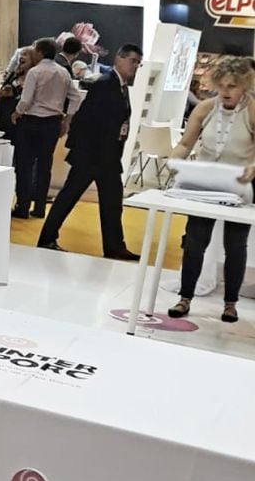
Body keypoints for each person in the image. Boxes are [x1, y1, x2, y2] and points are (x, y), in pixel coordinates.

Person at [166, 57, 255, 323]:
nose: (226, 91)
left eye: (233, 86)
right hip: (203, 185)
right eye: (222, 85)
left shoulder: (251, 111)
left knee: (235, 246)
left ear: (244, 87)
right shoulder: (205, 108)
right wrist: (175, 160)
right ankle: (185, 298)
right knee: (194, 243)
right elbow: (185, 143)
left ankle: (230, 303)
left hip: (239, 186)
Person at [37, 44, 145, 260]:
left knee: (111, 202)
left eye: (138, 63)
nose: (135, 66)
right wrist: (86, 151)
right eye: (133, 61)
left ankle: (114, 246)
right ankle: (47, 238)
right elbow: (87, 120)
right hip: (93, 156)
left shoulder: (121, 87)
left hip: (106, 157)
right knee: (70, 197)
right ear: (119, 59)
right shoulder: (105, 84)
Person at [11, 38, 83, 219]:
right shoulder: (64, 73)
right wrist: (67, 119)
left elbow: (26, 100)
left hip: (31, 121)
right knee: (45, 165)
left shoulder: (35, 72)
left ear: (41, 52)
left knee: (25, 165)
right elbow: (76, 98)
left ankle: (23, 206)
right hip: (52, 123)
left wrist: (17, 112)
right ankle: (40, 207)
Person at [0, 47, 33, 140]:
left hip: (21, 122)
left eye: (25, 55)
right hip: (4, 120)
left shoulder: (35, 78)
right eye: (21, 54)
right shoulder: (14, 76)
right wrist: (1, 94)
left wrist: (15, 95)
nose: (21, 57)